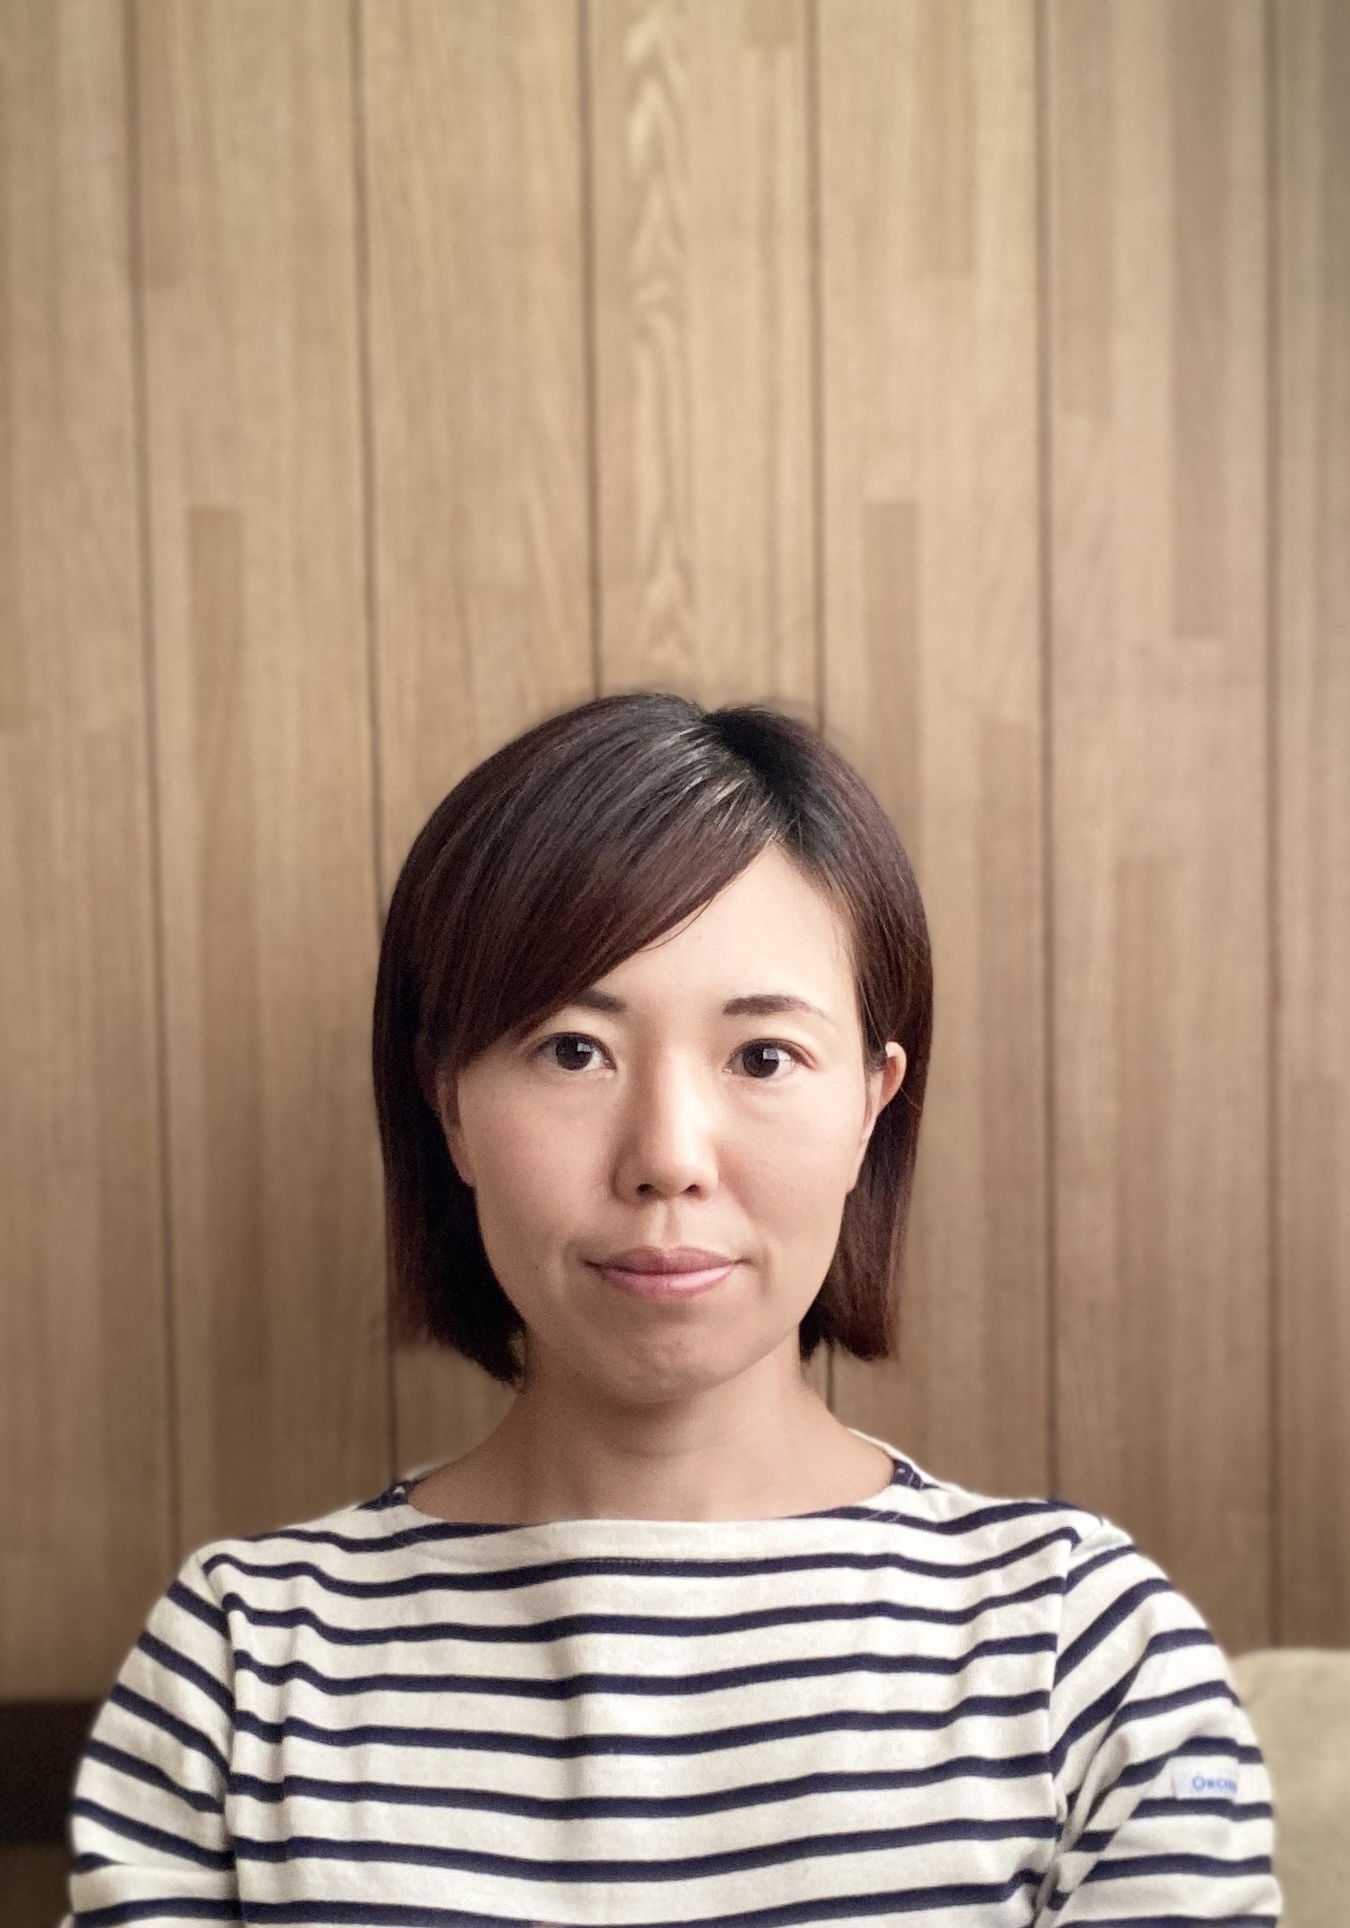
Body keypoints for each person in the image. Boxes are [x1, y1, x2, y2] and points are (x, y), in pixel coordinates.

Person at [65, 693, 1279, 1925]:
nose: (667, 1157)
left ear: (872, 1104)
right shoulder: (241, 1663)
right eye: (571, 1048)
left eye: (763, 1056)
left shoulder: (1086, 1654)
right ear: (448, 1105)